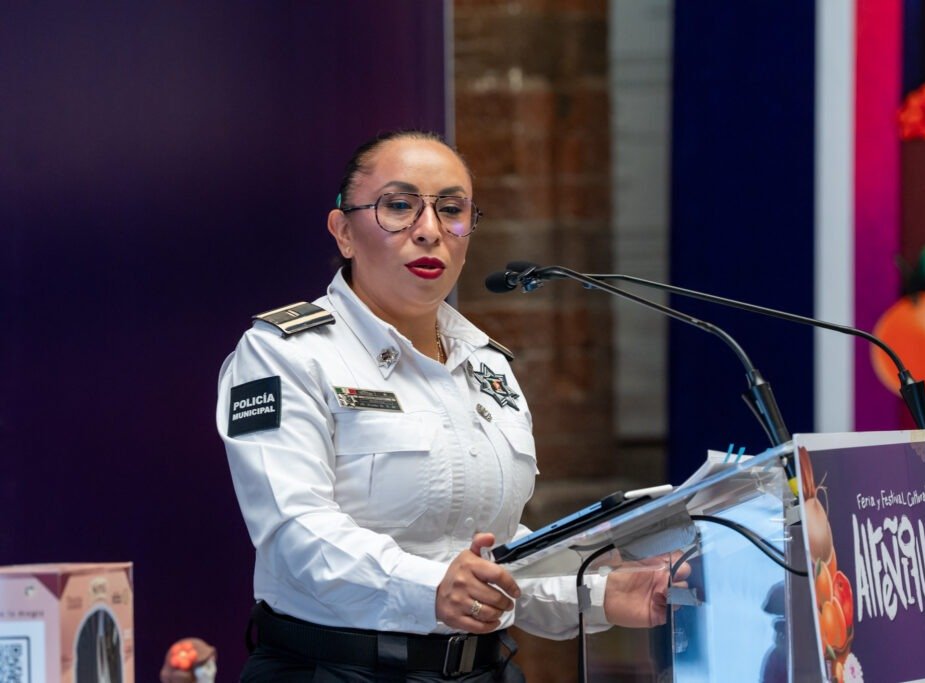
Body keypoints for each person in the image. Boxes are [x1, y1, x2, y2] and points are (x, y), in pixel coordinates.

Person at [216, 130, 682, 682]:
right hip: (335, 670)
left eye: (452, 210)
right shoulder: (283, 354)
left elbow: (489, 554)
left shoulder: (486, 364)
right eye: (399, 206)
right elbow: (295, 533)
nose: (430, 230)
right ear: (343, 231)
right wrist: (432, 587)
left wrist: (599, 591)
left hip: (482, 669)